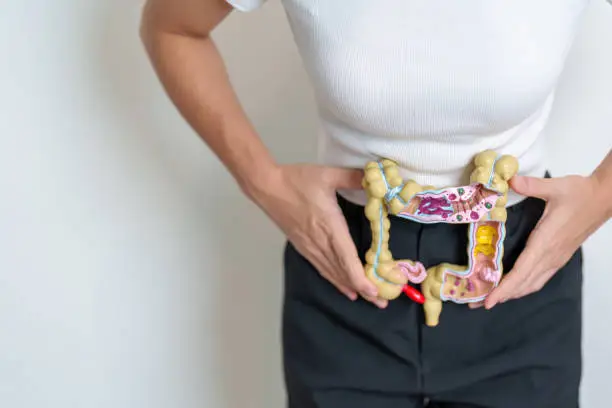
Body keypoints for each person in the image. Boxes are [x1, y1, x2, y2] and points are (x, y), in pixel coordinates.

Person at [139, 1, 612, 406]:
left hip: (518, 277)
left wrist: (601, 196)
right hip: (344, 272)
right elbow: (173, 27)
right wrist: (265, 183)